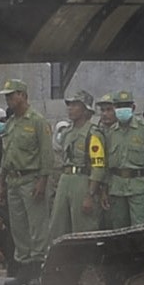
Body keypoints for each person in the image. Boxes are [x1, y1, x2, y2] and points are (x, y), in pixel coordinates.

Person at [0, 78, 53, 285]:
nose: (9, 99)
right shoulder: (11, 123)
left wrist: (43, 181)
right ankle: (24, 268)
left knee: (37, 226)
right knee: (18, 227)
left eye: (12, 95)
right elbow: (6, 155)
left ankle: (38, 269)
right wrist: (0, 182)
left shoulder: (37, 121)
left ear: (23, 95)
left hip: (32, 178)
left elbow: (47, 154)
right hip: (13, 180)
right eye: (7, 96)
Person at [99, 89, 144, 228]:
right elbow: (106, 165)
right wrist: (104, 191)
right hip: (116, 189)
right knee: (119, 229)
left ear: (133, 108)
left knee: (140, 229)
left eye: (126, 106)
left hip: (139, 189)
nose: (121, 109)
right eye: (118, 106)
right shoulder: (111, 132)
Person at [52, 89, 100, 240]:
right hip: (65, 178)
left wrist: (90, 194)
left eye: (75, 105)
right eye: (69, 105)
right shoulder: (67, 132)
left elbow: (98, 166)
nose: (70, 108)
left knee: (83, 227)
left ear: (86, 110)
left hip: (82, 180)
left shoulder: (93, 133)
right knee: (57, 224)